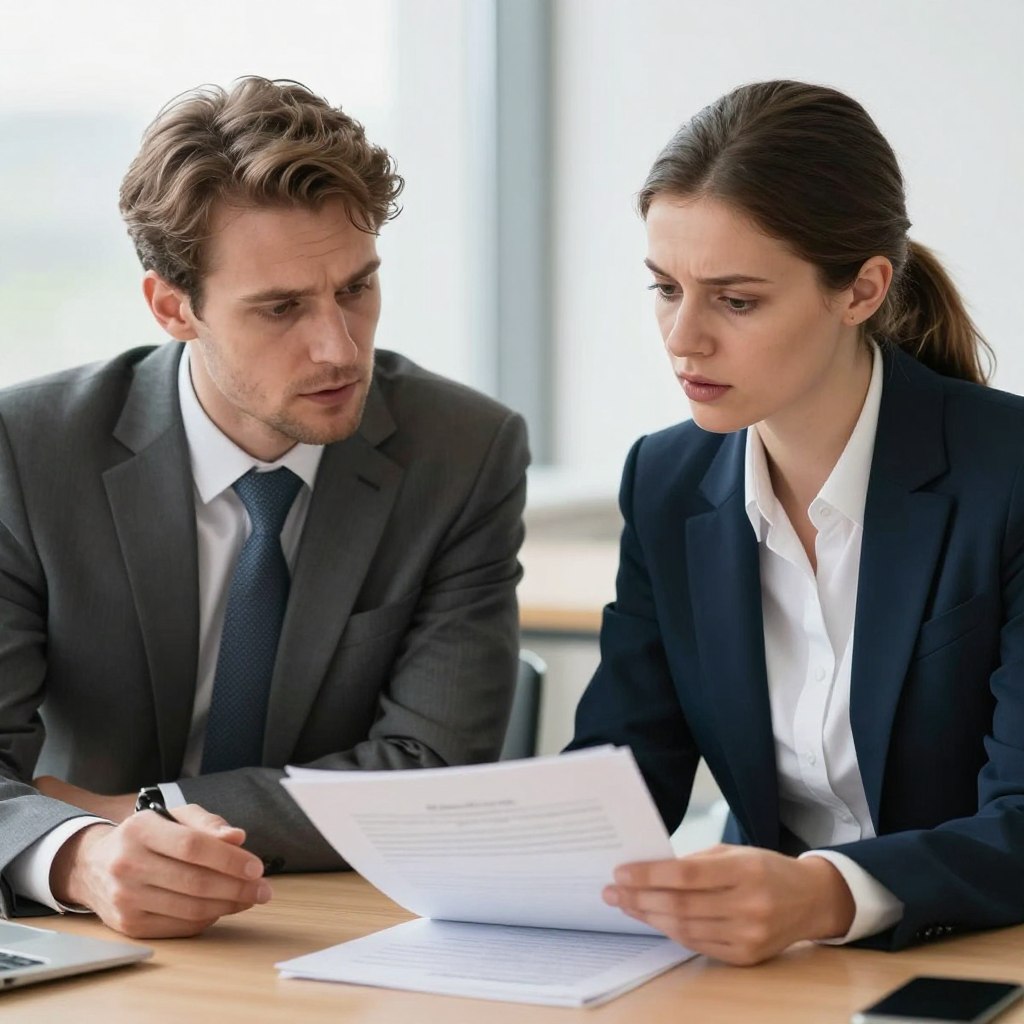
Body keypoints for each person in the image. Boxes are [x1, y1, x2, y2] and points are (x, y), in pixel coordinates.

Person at [0, 77, 528, 939]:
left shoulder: (464, 453)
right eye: (280, 308)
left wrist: (140, 808)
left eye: (356, 289)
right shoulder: (25, 452)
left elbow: (431, 775)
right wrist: (79, 852)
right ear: (174, 307)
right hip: (83, 933)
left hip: (338, 931)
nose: (338, 346)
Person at [568, 79, 1024, 965]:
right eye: (666, 288)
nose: (682, 338)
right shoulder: (666, 481)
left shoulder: (1008, 476)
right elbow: (620, 777)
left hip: (981, 956)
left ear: (861, 291)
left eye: (736, 301)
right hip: (772, 968)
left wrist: (823, 892)